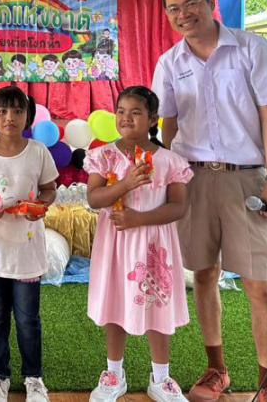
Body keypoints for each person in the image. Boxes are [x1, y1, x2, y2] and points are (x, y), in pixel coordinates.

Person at [151, 0, 267, 402]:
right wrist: (167, 177)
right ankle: (217, 370)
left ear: (210, 1)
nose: (183, 14)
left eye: (191, 4)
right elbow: (168, 125)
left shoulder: (251, 48)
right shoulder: (170, 63)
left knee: (259, 284)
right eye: (174, 9)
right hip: (193, 178)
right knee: (204, 273)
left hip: (245, 177)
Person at [85, 86, 191, 402]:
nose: (126, 118)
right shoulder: (103, 156)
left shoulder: (170, 161)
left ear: (153, 119)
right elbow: (94, 199)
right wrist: (127, 183)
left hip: (155, 246)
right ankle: (114, 373)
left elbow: (178, 207)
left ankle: (161, 377)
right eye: (121, 111)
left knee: (158, 305)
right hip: (115, 246)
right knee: (114, 303)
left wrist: (139, 219)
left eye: (136, 112)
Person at [0, 86, 57, 402]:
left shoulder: (38, 152)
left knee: (28, 319)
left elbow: (49, 188)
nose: (10, 117)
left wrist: (41, 205)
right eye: (2, 111)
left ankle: (34, 378)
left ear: (28, 116)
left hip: (27, 251)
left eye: (18, 111)